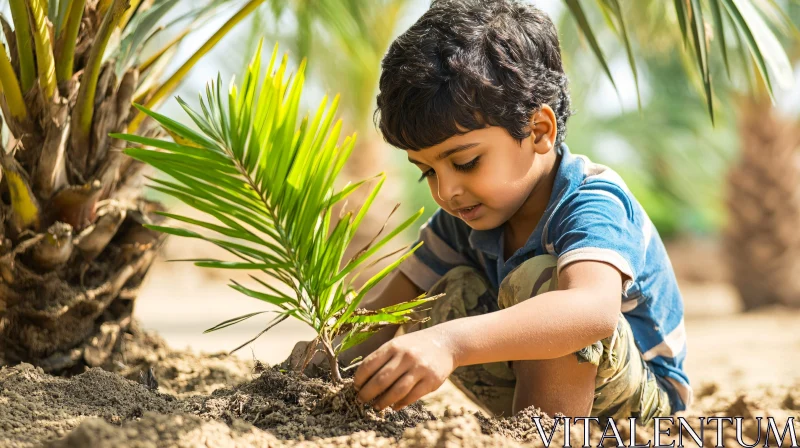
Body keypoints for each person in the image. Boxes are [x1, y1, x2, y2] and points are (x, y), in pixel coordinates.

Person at [288, 0, 692, 424]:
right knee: (443, 286)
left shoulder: (591, 201)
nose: (446, 191)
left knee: (542, 279)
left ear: (538, 131)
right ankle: (524, 427)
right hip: (532, 386)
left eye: (465, 162)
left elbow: (590, 310)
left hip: (640, 412)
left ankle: (541, 434)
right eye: (427, 171)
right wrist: (301, 372)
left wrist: (447, 343)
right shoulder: (460, 222)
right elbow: (383, 311)